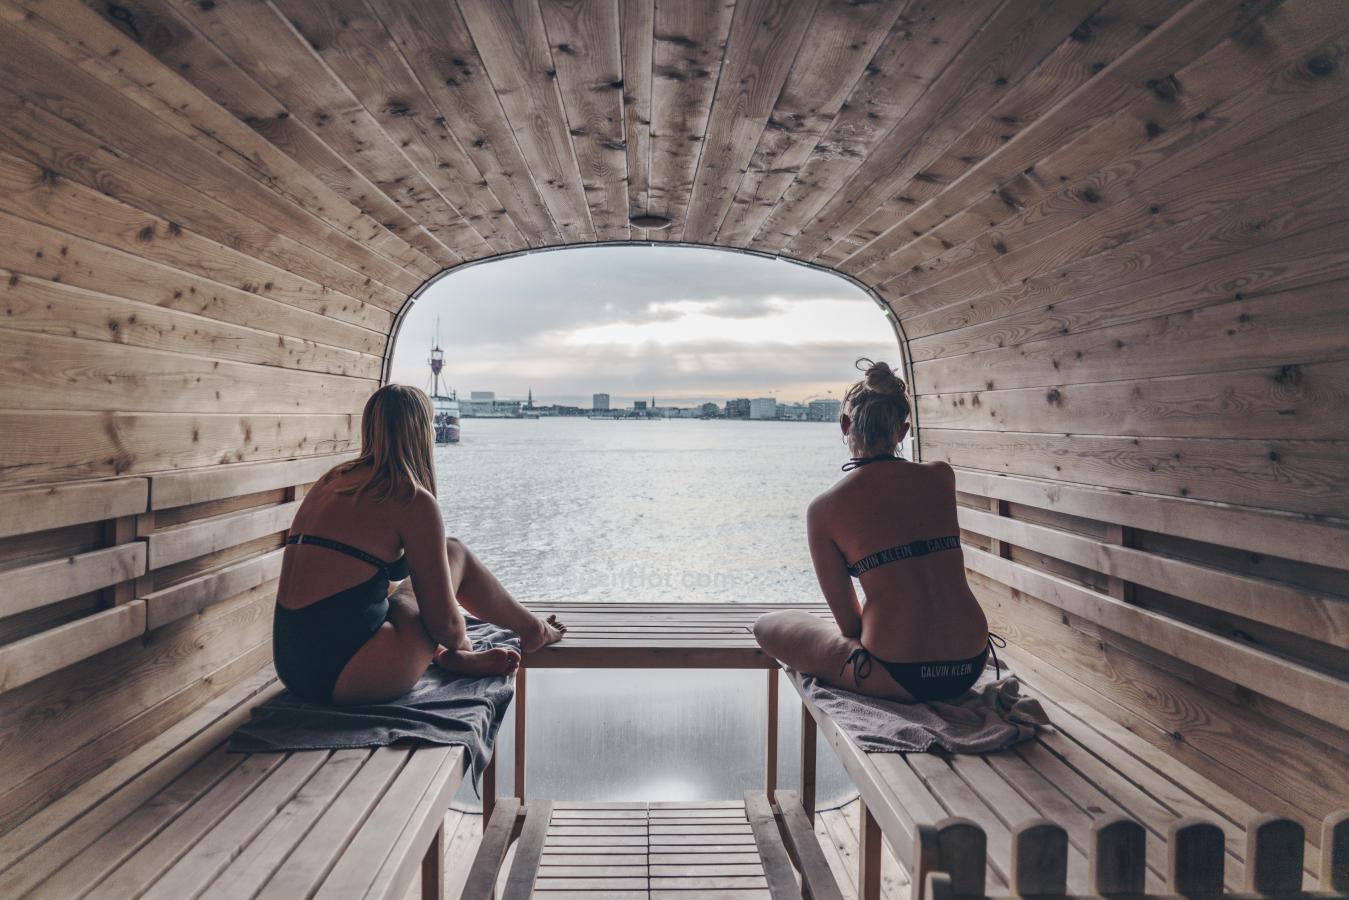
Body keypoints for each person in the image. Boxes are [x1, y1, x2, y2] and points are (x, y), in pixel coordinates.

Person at [273, 384, 566, 705]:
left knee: (398, 591)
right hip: (348, 674)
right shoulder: (408, 498)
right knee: (454, 552)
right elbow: (446, 625)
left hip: (292, 666)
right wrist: (458, 640)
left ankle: (445, 657)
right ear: (422, 430)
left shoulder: (333, 481)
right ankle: (533, 631)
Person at [754, 359, 1000, 702]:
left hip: (899, 673)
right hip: (969, 664)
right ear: (902, 431)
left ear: (845, 425)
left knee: (766, 626)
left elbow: (850, 629)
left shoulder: (824, 509)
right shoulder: (941, 477)